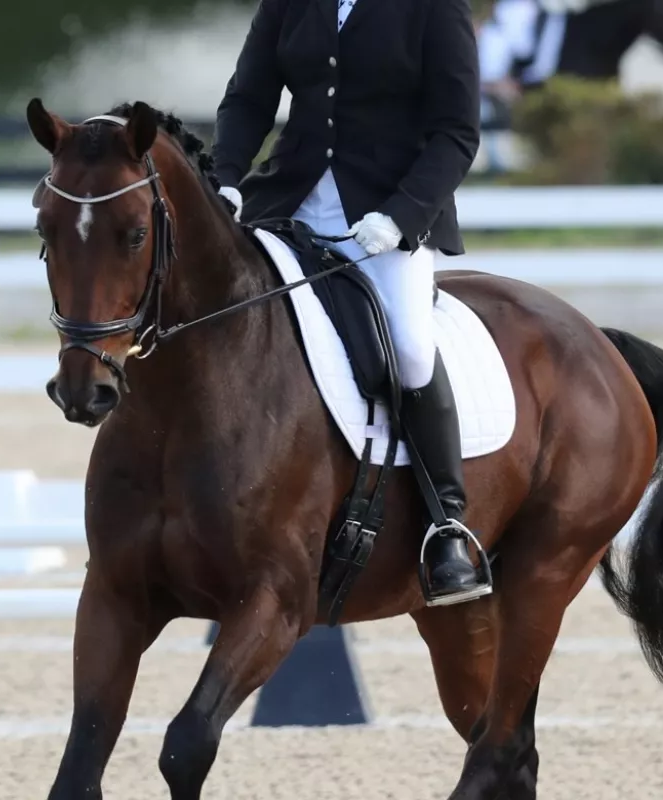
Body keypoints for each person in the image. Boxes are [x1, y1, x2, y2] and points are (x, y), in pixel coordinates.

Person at [210, 0, 492, 606]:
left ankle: (447, 524)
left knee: (413, 350)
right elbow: (249, 98)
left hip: (385, 216)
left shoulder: (434, 9)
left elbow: (456, 132)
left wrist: (403, 215)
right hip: (288, 203)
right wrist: (225, 178)